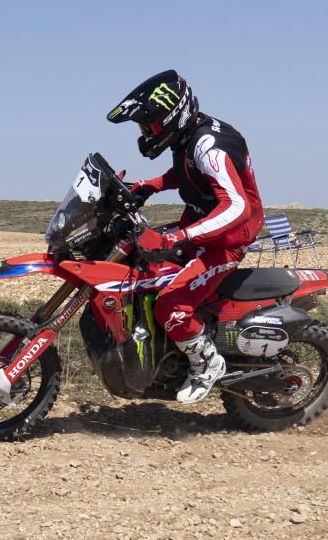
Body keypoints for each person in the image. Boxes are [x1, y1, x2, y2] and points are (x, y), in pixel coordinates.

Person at [107, 70, 264, 404]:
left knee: (171, 304)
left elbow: (237, 206)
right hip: (202, 228)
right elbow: (187, 172)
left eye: (149, 126)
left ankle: (207, 362)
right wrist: (149, 185)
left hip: (225, 241)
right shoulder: (189, 137)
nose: (146, 133)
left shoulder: (209, 146)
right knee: (144, 269)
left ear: (172, 117)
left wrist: (179, 236)